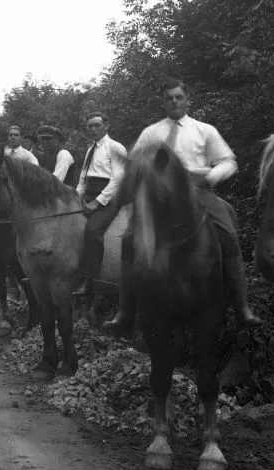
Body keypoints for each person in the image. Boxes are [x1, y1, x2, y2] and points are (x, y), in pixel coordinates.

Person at [108, 78, 261, 334]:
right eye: (169, 98)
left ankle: (241, 305)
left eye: (178, 97)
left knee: (227, 228)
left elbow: (229, 161)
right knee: (129, 237)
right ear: (163, 102)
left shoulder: (205, 130)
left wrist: (211, 176)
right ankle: (125, 310)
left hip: (199, 191)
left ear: (187, 99)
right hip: (158, 197)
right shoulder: (151, 133)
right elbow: (135, 167)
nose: (174, 101)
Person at [70, 113, 127, 306]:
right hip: (90, 192)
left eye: (97, 125)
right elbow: (83, 178)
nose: (93, 129)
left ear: (106, 125)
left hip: (110, 195)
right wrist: (77, 196)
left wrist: (98, 202)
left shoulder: (115, 147)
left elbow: (118, 179)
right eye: (90, 126)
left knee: (93, 229)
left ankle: (88, 279)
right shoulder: (90, 149)